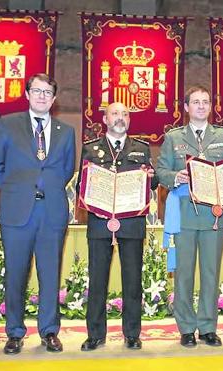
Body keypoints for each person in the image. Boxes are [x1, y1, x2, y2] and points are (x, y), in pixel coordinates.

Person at [0, 73, 75, 354]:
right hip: (17, 211)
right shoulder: (8, 124)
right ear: (27, 94)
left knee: (49, 274)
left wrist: (44, 188)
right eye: (36, 91)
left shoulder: (66, 131)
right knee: (15, 273)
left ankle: (49, 331)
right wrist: (15, 190)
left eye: (47, 92)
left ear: (53, 98)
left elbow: (66, 170)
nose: (41, 96)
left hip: (51, 212)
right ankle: (14, 332)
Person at [156, 85, 223, 347]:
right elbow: (161, 170)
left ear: (210, 107)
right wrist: (174, 177)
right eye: (196, 102)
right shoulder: (173, 137)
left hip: (214, 215)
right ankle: (187, 328)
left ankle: (208, 326)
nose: (201, 106)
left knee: (211, 273)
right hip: (185, 215)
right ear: (187, 107)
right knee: (184, 274)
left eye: (205, 102)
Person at [77, 102, 158, 351]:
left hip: (132, 224)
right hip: (100, 223)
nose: (120, 118)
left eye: (125, 114)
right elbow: (82, 184)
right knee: (98, 279)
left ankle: (132, 333)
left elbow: (152, 187)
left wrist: (151, 179)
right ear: (105, 119)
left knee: (132, 280)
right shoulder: (91, 149)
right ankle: (95, 334)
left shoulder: (141, 149)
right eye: (115, 114)